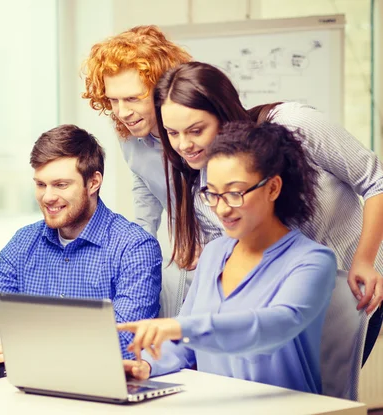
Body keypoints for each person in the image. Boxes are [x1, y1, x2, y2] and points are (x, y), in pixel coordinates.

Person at [153, 61, 383, 363]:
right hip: (284, 301)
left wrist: (364, 260)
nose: (184, 144)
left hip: (354, 286)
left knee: (329, 395)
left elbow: (375, 180)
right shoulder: (204, 190)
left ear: (223, 114)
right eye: (172, 133)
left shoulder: (295, 124)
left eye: (196, 130)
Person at [119, 121, 337, 394]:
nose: (221, 208)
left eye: (234, 193)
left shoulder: (312, 261)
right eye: (212, 193)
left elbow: (271, 327)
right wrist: (147, 366)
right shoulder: (214, 253)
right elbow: (185, 344)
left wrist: (179, 326)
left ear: (273, 188)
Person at [0, 124, 162, 369]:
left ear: (93, 183)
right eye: (41, 184)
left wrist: (24, 347)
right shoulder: (24, 243)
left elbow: (126, 340)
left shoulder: (134, 247)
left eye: (61, 185)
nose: (47, 197)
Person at [82, 25, 193, 317]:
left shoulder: (196, 134)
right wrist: (140, 246)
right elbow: (143, 182)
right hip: (181, 254)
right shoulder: (128, 131)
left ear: (163, 91)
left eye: (133, 98)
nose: (121, 112)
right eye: (113, 100)